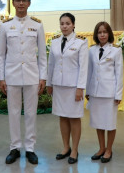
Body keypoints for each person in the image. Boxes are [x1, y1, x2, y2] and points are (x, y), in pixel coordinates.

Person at [0, 0, 47, 165]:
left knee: (31, 113)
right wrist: (1, 78)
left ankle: (30, 148)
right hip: (12, 76)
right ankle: (15, 147)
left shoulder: (37, 26)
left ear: (29, 3)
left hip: (32, 75)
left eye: (24, 0)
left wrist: (43, 78)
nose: (20, 3)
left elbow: (42, 54)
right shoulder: (5, 26)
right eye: (17, 0)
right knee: (13, 112)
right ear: (13, 3)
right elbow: (1, 54)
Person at [46, 13, 88, 164]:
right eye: (62, 23)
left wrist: (80, 88)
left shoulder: (81, 42)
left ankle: (75, 150)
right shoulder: (55, 42)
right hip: (58, 85)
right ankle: (66, 147)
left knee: (74, 118)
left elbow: (83, 67)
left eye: (67, 23)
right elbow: (51, 64)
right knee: (62, 116)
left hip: (73, 87)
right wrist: (49, 83)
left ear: (73, 25)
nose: (64, 26)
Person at [86, 21, 123, 163]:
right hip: (95, 93)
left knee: (110, 123)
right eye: (100, 32)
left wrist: (118, 94)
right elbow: (89, 72)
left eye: (105, 32)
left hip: (109, 93)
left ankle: (109, 149)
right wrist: (88, 91)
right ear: (96, 34)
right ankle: (101, 148)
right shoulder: (91, 50)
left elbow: (119, 74)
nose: (102, 35)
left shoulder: (115, 51)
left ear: (109, 34)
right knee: (98, 122)